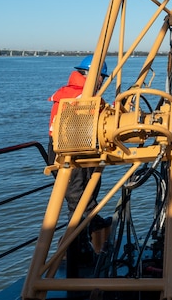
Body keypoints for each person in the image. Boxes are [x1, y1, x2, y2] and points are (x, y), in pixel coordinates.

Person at [48, 55, 112, 249]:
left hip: (75, 148)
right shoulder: (81, 96)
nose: (102, 82)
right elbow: (99, 113)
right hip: (69, 151)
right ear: (96, 76)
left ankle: (91, 222)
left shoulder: (75, 93)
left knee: (89, 188)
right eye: (102, 77)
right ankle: (78, 245)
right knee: (77, 197)